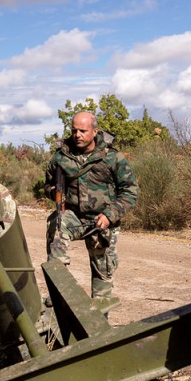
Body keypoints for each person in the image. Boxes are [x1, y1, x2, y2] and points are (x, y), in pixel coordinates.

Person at [44, 111, 138, 300]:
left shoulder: (112, 158)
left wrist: (109, 215)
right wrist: (53, 192)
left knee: (102, 274)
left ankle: (98, 323)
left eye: (83, 131)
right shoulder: (61, 156)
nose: (77, 135)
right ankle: (60, 290)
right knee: (56, 223)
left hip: (101, 221)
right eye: (74, 130)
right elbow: (47, 184)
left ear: (95, 131)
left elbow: (130, 191)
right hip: (73, 218)